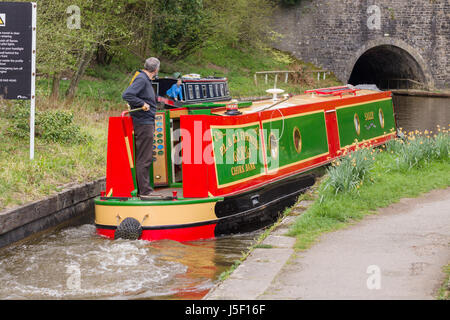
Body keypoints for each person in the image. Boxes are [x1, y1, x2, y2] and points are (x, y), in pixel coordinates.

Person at [122, 57, 161, 200]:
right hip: (143, 123)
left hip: (146, 122)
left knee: (145, 156)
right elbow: (127, 95)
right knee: (144, 157)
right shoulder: (142, 79)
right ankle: (145, 191)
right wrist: (142, 103)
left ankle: (144, 189)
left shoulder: (144, 79)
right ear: (156, 70)